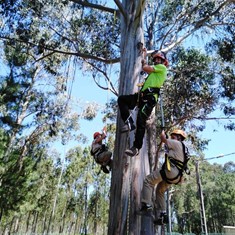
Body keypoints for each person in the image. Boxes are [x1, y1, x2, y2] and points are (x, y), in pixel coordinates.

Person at [117, 49, 169, 157]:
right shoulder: (153, 74)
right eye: (156, 59)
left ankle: (136, 147)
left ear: (163, 62)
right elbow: (147, 69)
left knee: (141, 119)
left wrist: (144, 61)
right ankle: (129, 123)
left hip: (150, 99)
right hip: (141, 96)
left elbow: (145, 68)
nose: (157, 61)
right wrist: (144, 55)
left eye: (160, 59)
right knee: (122, 99)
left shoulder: (162, 68)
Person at [140, 129, 190, 225]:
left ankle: (147, 204)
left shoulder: (177, 143)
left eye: (173, 136)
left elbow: (163, 139)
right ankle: (163, 215)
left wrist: (163, 131)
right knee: (160, 190)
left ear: (179, 137)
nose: (172, 138)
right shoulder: (183, 147)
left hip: (170, 171)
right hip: (177, 176)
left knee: (148, 181)